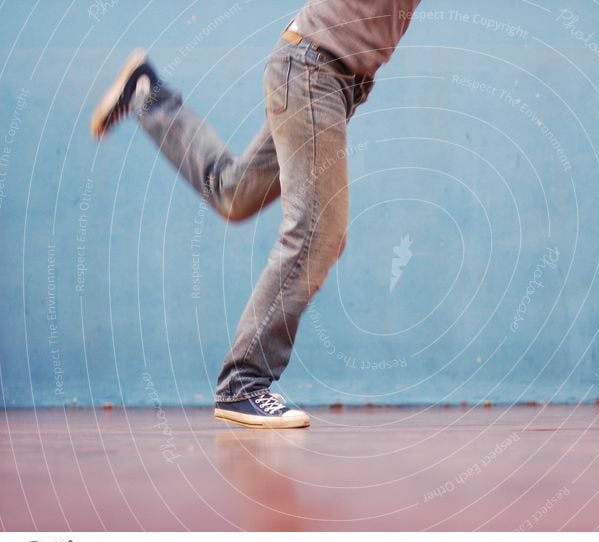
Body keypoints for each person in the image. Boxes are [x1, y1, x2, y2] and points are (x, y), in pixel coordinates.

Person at [90, 1, 421, 428]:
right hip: (313, 69)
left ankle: (149, 95)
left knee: (232, 192)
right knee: (317, 234)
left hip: (325, 78)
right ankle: (242, 385)